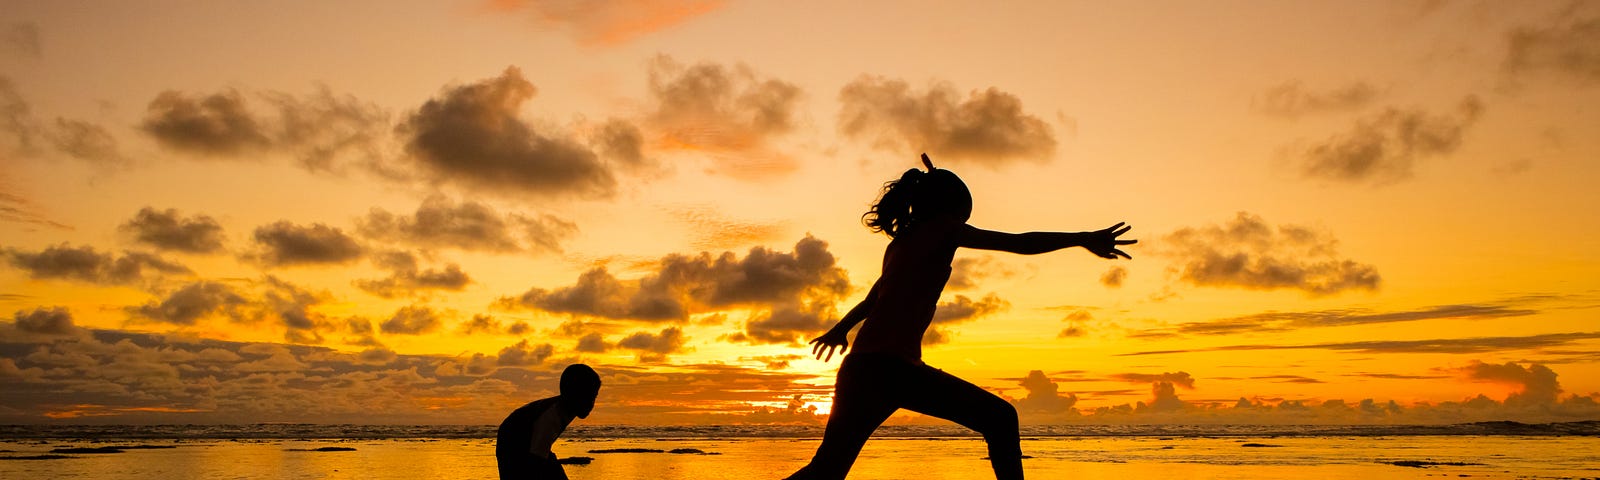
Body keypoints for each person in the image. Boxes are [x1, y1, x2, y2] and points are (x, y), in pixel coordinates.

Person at [786, 154, 1136, 480]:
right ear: (952, 207)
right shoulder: (943, 228)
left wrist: (840, 329)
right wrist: (1080, 238)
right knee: (1000, 418)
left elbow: (873, 298)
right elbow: (1018, 243)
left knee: (825, 472)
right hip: (892, 370)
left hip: (862, 369)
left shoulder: (901, 243)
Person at [496, 364, 602, 480]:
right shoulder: (551, 417)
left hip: (521, 439)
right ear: (571, 395)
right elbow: (536, 459)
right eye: (586, 397)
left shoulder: (566, 408)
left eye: (593, 397)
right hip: (512, 443)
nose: (591, 403)